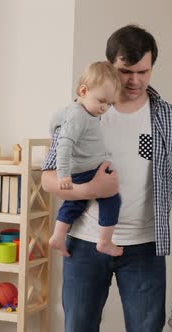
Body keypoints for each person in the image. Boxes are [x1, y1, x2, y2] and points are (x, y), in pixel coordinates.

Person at [41, 24, 172, 332]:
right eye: (126, 71)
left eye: (143, 72)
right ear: (110, 65)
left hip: (144, 249)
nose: (135, 80)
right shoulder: (80, 113)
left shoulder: (167, 117)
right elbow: (49, 178)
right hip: (85, 244)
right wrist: (91, 188)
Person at [48, 61, 123, 258]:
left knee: (74, 205)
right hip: (85, 169)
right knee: (112, 198)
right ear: (83, 91)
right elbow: (63, 144)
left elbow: (55, 120)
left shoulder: (83, 111)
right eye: (101, 101)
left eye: (109, 103)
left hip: (85, 168)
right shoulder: (77, 116)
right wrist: (63, 175)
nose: (105, 107)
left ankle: (58, 236)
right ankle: (105, 241)